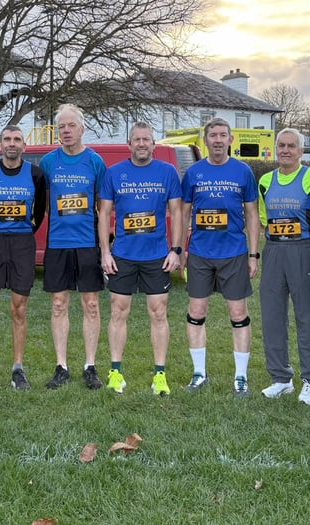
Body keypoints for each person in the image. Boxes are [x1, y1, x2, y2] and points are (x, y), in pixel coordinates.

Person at [98, 122, 182, 395]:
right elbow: (103, 214)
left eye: (146, 139)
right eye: (137, 139)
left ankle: (159, 375)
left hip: (157, 256)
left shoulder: (167, 172)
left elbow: (177, 213)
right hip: (122, 255)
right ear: (129, 143)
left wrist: (176, 249)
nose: (142, 144)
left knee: (158, 313)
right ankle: (115, 372)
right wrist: (105, 252)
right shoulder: (114, 173)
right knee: (117, 311)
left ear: (153, 143)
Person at [180, 117, 260, 397]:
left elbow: (252, 214)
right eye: (212, 135)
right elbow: (184, 214)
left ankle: (241, 377)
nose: (217, 140)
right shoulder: (193, 173)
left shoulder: (243, 171)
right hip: (200, 254)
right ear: (205, 140)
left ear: (230, 140)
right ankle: (199, 374)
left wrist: (253, 254)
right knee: (196, 312)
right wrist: (181, 249)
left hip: (234, 253)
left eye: (222, 135)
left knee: (238, 314)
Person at [0, 125, 46, 394]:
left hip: (22, 243)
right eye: (7, 139)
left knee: (19, 309)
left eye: (16, 139)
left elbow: (38, 212)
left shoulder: (36, 174)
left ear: (23, 146)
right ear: (0, 144)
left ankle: (18, 369)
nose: (11, 144)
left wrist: (19, 232)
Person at [40, 104, 106, 390]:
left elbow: (103, 207)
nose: (65, 131)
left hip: (87, 244)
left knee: (91, 305)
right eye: (61, 127)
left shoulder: (95, 162)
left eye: (70, 126)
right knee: (58, 304)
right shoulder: (47, 162)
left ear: (82, 129)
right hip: (58, 244)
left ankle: (90, 366)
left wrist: (104, 250)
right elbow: (44, 205)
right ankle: (61, 366)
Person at [258, 128, 310, 405]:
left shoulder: (308, 177)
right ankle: (280, 378)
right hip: (274, 250)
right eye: (281, 145)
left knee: (306, 317)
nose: (286, 150)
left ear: (301, 151)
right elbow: (263, 219)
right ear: (275, 149)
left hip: (303, 250)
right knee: (272, 316)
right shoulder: (265, 180)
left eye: (292, 146)